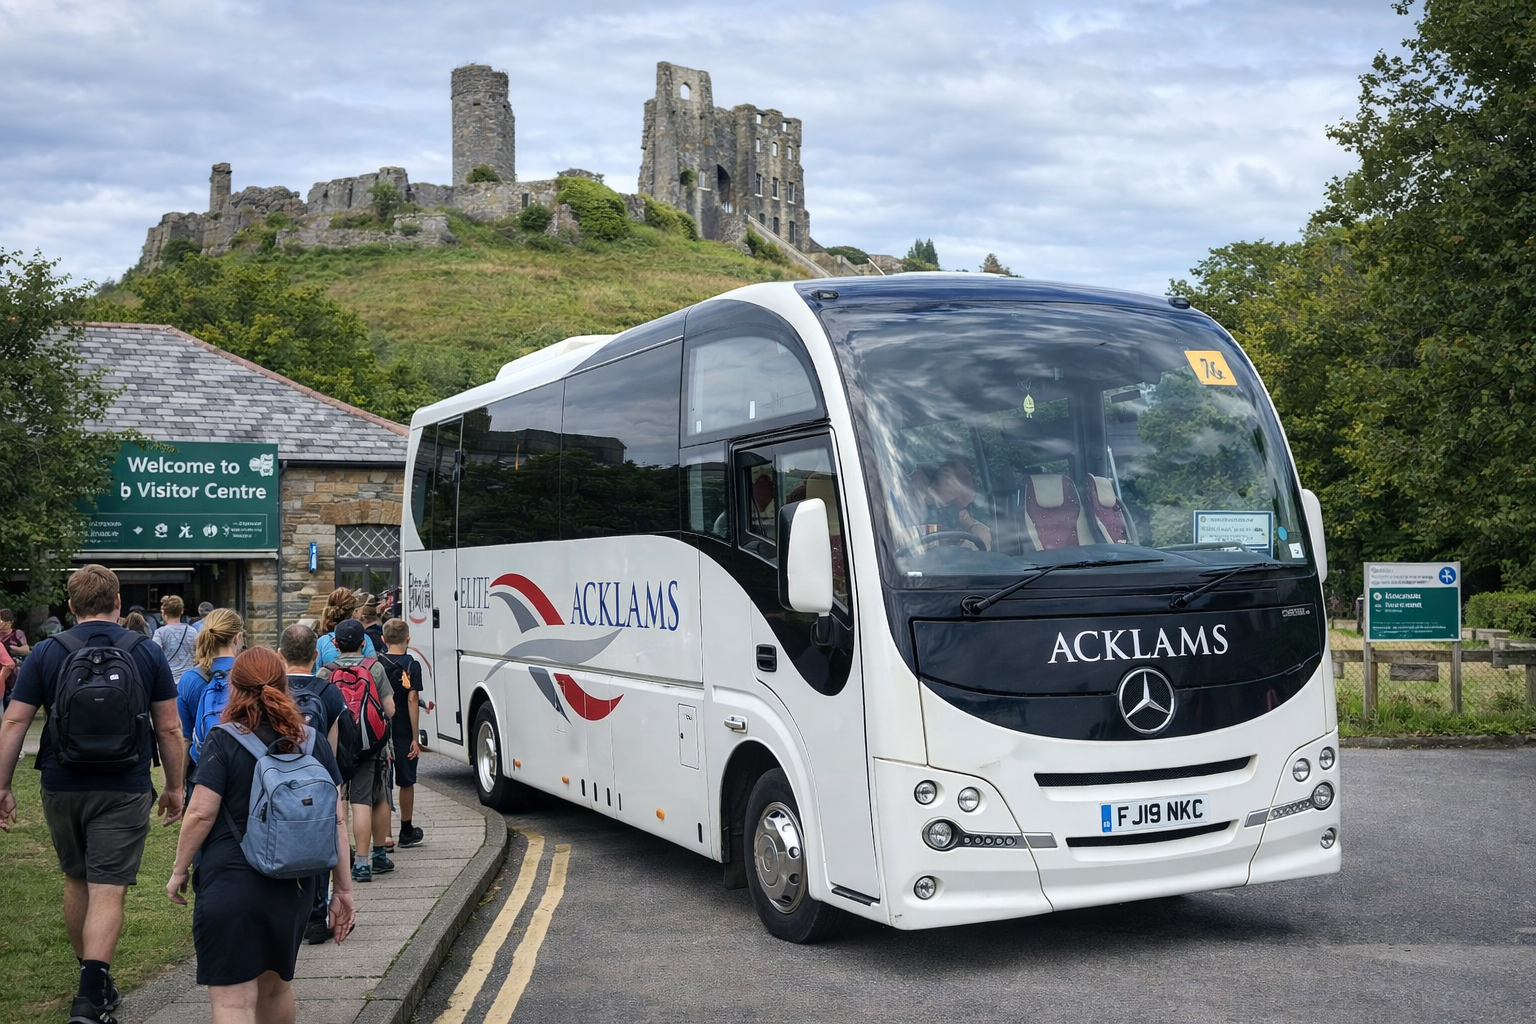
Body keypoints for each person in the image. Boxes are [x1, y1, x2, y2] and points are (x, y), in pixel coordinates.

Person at [0, 564, 185, 1024]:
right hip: (124, 784)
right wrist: (176, 786)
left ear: (70, 605)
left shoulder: (45, 652)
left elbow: (14, 721)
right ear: (118, 602)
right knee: (109, 888)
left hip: (61, 782)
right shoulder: (145, 650)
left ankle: (93, 980)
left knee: (76, 878)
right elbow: (168, 724)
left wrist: (2, 786)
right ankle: (91, 995)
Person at [166, 646, 355, 1024]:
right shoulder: (311, 739)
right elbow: (336, 820)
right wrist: (344, 890)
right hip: (294, 886)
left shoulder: (223, 740)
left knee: (234, 1002)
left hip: (231, 885)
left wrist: (179, 870)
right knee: (275, 990)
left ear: (234, 688)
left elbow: (201, 812)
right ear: (283, 685)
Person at [279, 624, 349, 945]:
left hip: (278, 782)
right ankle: (317, 913)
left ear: (281, 656)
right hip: (317, 782)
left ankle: (283, 912)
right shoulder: (329, 692)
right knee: (320, 842)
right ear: (316, 654)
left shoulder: (272, 691)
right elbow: (332, 747)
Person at [319, 619, 394, 882]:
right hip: (369, 745)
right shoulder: (374, 667)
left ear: (335, 644)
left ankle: (342, 857)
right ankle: (367, 862)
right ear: (364, 644)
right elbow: (390, 709)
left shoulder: (326, 672)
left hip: (336, 747)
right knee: (366, 799)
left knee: (340, 799)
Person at [177, 610, 243, 784]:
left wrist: (177, 786)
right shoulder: (250, 674)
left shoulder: (189, 679)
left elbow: (184, 738)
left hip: (203, 772)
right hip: (243, 772)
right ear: (237, 637)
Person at [379, 618, 423, 849]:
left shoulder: (376, 664)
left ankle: (386, 836)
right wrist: (416, 738)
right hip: (405, 730)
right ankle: (406, 829)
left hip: (382, 730)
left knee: (384, 782)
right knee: (406, 781)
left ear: (383, 640)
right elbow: (413, 699)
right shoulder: (412, 665)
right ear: (408, 639)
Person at [931, 459, 992, 550]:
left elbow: (983, 552)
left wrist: (969, 528)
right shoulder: (927, 526)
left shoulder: (979, 530)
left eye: (951, 505)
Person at [315, 589, 376, 666]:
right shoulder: (364, 638)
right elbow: (373, 667)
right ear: (354, 612)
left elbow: (317, 671)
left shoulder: (322, 641)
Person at [152, 595, 198, 681]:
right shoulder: (193, 631)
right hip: (190, 678)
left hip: (169, 679)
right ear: (182, 611)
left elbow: (154, 656)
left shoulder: (160, 633)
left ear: (163, 612)